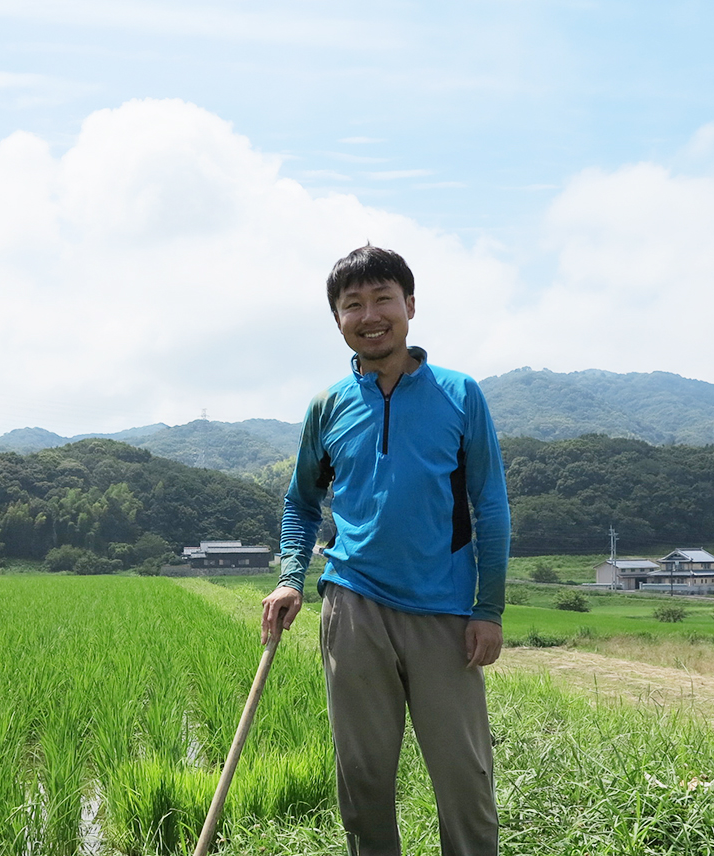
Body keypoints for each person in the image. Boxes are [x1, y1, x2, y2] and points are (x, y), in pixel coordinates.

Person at [261, 245, 510, 856]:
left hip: (444, 612)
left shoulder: (459, 394)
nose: (370, 316)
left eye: (383, 299)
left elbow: (491, 505)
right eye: (353, 305)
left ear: (410, 306)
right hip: (353, 606)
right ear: (338, 319)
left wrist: (489, 609)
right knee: (363, 779)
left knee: (465, 780)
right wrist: (291, 577)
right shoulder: (328, 406)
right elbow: (301, 503)